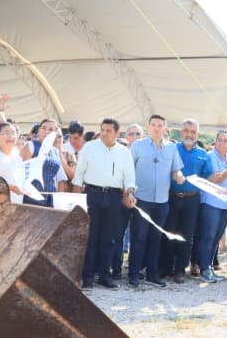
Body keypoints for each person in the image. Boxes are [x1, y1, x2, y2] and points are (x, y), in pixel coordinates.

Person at [72, 118, 137, 291]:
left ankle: (104, 276)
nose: (104, 133)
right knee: (91, 237)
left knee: (108, 239)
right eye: (102, 129)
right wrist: (78, 200)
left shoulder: (124, 152)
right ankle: (87, 277)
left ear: (117, 132)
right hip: (92, 195)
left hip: (114, 197)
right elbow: (79, 175)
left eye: (108, 130)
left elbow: (129, 178)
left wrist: (129, 192)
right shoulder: (90, 147)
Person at [128, 114, 185, 288]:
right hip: (142, 199)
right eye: (154, 125)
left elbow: (176, 170)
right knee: (139, 238)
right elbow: (129, 170)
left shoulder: (171, 148)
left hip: (162, 201)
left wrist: (179, 176)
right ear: (148, 127)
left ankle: (152, 274)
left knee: (155, 238)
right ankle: (133, 274)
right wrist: (129, 192)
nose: (157, 128)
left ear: (165, 128)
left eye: (160, 125)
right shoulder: (138, 145)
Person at [161, 118, 213, 283]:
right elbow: (163, 170)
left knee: (187, 236)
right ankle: (166, 268)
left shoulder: (203, 155)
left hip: (192, 200)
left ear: (197, 134)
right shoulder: (172, 149)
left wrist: (219, 179)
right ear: (181, 132)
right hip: (172, 197)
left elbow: (208, 177)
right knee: (168, 233)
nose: (189, 134)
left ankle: (180, 270)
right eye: (186, 131)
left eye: (193, 131)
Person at [194, 130, 227, 283]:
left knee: (216, 237)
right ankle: (204, 269)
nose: (222, 143)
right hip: (211, 202)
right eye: (220, 140)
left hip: (225, 203)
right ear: (215, 141)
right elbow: (215, 179)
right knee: (208, 236)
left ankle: (209, 267)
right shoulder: (210, 156)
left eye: (226, 140)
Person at [109, 124, 144, 280]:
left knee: (138, 236)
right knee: (117, 235)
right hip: (121, 199)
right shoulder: (118, 153)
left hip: (141, 200)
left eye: (138, 133)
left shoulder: (146, 153)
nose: (134, 136)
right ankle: (116, 269)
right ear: (126, 136)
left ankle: (135, 269)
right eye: (131, 133)